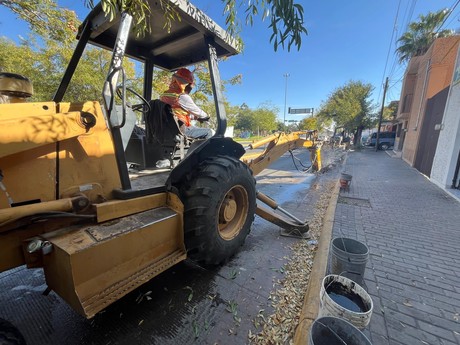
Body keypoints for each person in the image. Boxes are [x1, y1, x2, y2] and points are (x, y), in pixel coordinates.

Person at [160, 68, 212, 139]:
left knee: (194, 128)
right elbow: (200, 113)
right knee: (209, 132)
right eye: (189, 85)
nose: (190, 87)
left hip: (167, 129)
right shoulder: (182, 97)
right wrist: (206, 117)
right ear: (185, 84)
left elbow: (174, 113)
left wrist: (194, 117)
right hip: (180, 129)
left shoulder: (164, 95)